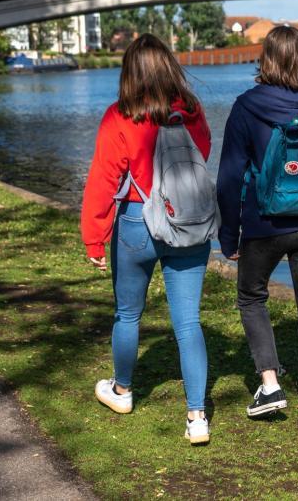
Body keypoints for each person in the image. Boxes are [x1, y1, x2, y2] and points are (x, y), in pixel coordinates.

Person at [81, 33, 213, 445]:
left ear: (130, 73)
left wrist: (94, 237)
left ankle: (121, 391)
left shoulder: (120, 115)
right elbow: (201, 155)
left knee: (128, 314)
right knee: (188, 321)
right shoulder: (190, 110)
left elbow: (104, 179)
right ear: (170, 67)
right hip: (186, 223)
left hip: (137, 220)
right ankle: (196, 417)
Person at [216, 25, 298, 439]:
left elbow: (229, 177)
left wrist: (228, 233)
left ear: (265, 59)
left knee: (251, 295)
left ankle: (270, 385)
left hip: (262, 225)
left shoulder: (246, 107)